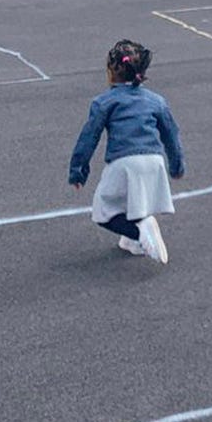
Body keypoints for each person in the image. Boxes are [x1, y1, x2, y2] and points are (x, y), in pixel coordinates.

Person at [68, 40, 184, 264]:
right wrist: (177, 165)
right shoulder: (156, 101)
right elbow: (171, 134)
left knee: (104, 211)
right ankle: (132, 241)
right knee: (133, 201)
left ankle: (139, 232)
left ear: (111, 71)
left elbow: (88, 138)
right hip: (154, 160)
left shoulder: (104, 102)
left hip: (125, 161)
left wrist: (78, 171)